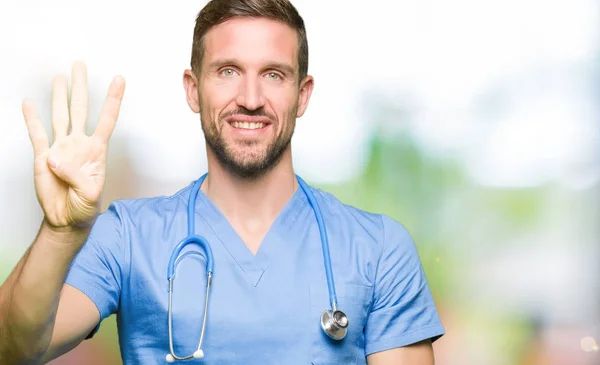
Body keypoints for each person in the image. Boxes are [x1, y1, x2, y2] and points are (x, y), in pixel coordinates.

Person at [0, 0, 445, 364]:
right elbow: (14, 348)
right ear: (193, 89)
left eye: (273, 74)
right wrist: (60, 234)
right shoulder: (128, 237)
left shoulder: (378, 249)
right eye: (228, 70)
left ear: (302, 94)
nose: (250, 99)